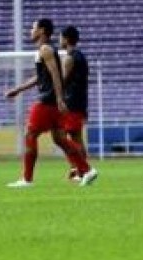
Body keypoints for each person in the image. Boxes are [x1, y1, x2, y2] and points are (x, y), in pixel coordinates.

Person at [5, 19, 97, 188]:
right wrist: (18, 89)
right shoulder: (44, 50)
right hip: (52, 101)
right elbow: (41, 77)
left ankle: (27, 179)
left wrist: (60, 99)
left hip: (47, 100)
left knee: (30, 135)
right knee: (60, 139)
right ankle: (86, 169)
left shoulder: (46, 49)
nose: (31, 31)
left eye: (33, 28)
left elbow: (56, 74)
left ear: (41, 30)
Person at [60, 25, 97, 182]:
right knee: (76, 137)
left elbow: (62, 80)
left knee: (64, 137)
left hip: (72, 102)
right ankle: (79, 170)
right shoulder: (81, 56)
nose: (59, 40)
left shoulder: (70, 58)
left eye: (60, 37)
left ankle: (83, 169)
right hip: (80, 102)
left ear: (66, 39)